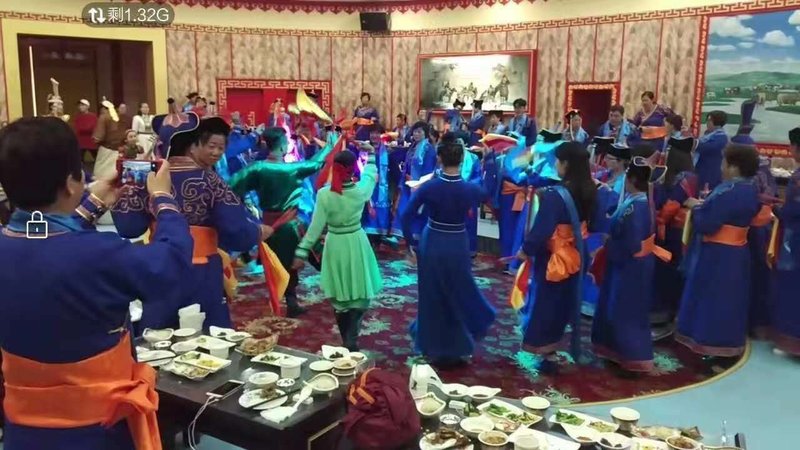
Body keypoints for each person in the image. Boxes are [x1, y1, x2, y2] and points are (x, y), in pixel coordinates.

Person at [0, 117, 193, 450]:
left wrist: (90, 205)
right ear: (70, 183)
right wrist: (163, 199)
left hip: (23, 430)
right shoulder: (99, 253)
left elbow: (40, 235)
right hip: (96, 430)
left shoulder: (14, 240)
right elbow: (168, 264)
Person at [113, 111, 269, 329]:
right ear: (194, 145)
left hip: (158, 267)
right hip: (200, 272)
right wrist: (258, 231)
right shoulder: (210, 181)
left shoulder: (146, 178)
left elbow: (128, 227)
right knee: (206, 334)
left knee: (159, 333)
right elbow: (237, 233)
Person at [402, 133, 495, 367]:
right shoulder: (470, 189)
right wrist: (490, 162)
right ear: (462, 159)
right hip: (458, 242)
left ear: (439, 158)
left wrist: (410, 245)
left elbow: (406, 216)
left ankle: (430, 344)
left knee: (431, 294)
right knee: (457, 291)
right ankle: (458, 345)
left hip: (432, 240)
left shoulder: (429, 187)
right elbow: (489, 193)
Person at [230, 127, 335, 317]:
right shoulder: (291, 169)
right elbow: (315, 164)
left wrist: (245, 215)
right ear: (281, 147)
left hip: (269, 227)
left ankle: (292, 302)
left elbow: (231, 187)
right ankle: (340, 290)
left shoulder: (256, 168)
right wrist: (329, 146)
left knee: (282, 264)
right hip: (291, 225)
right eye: (286, 143)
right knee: (318, 256)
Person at [677, 144, 761, 363]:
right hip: (738, 252)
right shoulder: (751, 188)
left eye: (724, 163)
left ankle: (710, 344)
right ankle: (727, 343)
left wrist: (696, 208)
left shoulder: (728, 191)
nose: (721, 167)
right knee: (731, 300)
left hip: (717, 254)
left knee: (712, 299)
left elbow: (707, 224)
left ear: (734, 167)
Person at [517, 142, 596, 373]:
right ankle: (560, 343)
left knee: (547, 302)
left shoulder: (555, 196)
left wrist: (526, 249)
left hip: (556, 258)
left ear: (566, 164)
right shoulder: (591, 190)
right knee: (565, 301)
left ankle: (547, 352)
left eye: (558, 161)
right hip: (579, 252)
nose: (556, 165)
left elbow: (542, 229)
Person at [292, 150, 382, 351]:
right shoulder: (360, 191)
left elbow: (315, 227)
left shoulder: (324, 194)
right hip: (356, 241)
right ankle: (352, 338)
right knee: (359, 289)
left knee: (339, 293)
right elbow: (370, 176)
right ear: (353, 170)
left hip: (335, 243)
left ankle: (346, 339)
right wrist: (371, 154)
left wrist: (302, 251)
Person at [592, 156, 669, 374]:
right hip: (631, 264)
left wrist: (610, 244)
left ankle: (632, 357)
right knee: (620, 309)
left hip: (629, 266)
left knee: (625, 311)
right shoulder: (639, 201)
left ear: (632, 179)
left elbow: (632, 244)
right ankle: (617, 352)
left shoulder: (636, 208)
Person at [652, 136, 697, 323]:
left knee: (669, 270)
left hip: (673, 230)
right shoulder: (686, 175)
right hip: (674, 229)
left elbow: (672, 204)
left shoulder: (684, 178)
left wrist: (658, 220)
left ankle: (666, 309)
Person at [770, 127, 800, 356]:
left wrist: (777, 210)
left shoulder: (798, 178)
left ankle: (792, 343)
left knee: (792, 288)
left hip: (796, 238)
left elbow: (793, 210)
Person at [390, 121, 436, 241]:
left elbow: (428, 171)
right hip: (407, 183)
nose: (416, 134)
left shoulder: (428, 149)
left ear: (425, 133)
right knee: (402, 208)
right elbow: (406, 165)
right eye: (415, 131)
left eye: (419, 132)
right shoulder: (412, 147)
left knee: (416, 211)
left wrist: (417, 181)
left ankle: (415, 237)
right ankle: (398, 236)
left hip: (419, 186)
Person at [694, 110, 729, 192]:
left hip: (711, 170)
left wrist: (691, 142)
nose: (707, 123)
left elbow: (705, 147)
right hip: (701, 167)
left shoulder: (721, 137)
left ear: (717, 121)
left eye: (709, 120)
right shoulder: (708, 135)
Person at [72, 99, 98, 173]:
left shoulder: (93, 116)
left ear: (87, 106)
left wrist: (85, 129)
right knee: (79, 160)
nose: (80, 107)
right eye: (79, 105)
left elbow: (93, 127)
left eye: (82, 105)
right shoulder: (77, 117)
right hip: (81, 142)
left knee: (97, 159)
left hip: (91, 141)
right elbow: (77, 128)